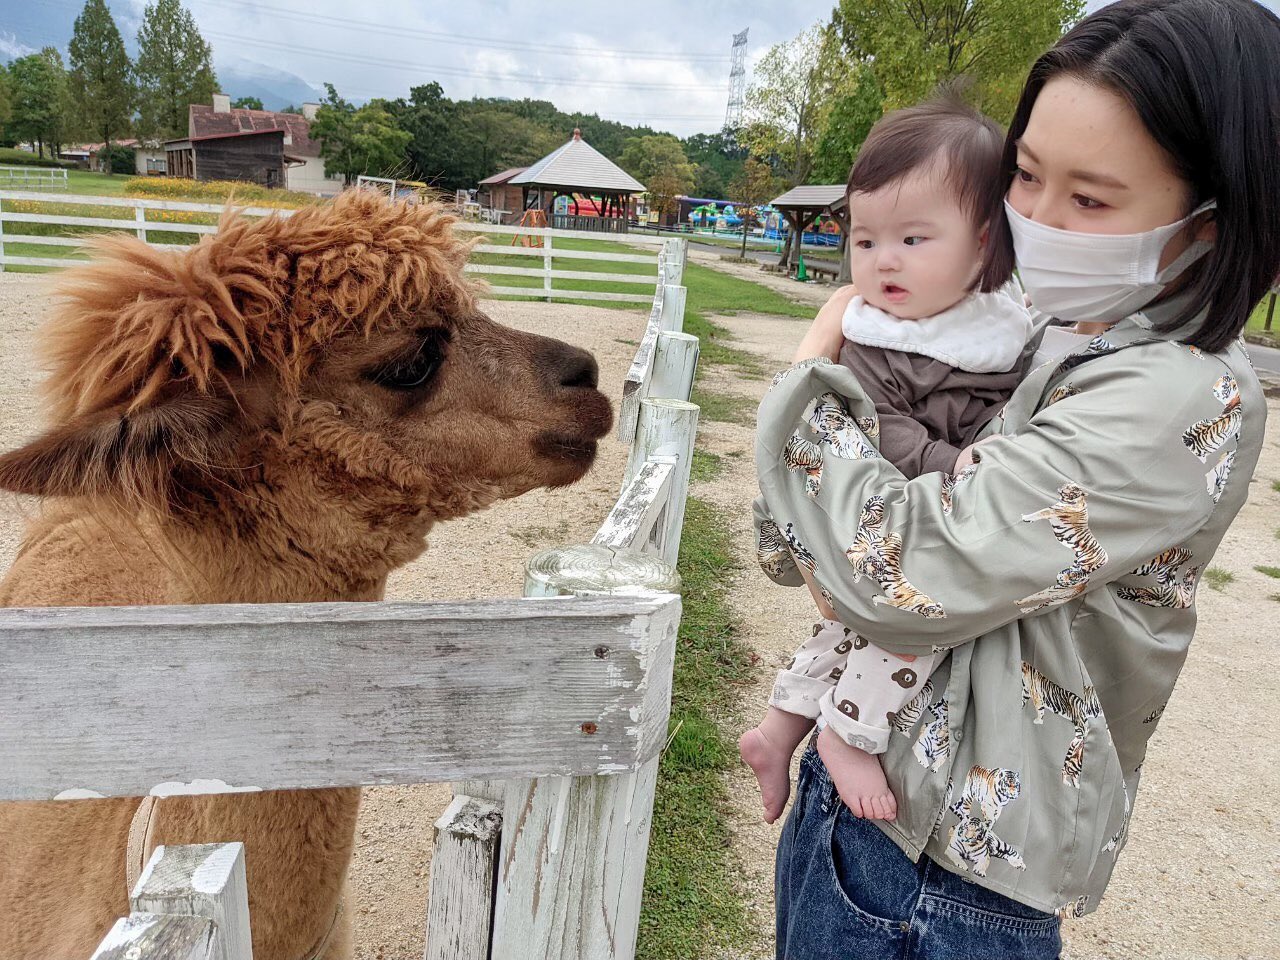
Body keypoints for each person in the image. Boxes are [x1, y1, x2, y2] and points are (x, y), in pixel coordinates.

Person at [756, 1, 1279, 957]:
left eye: (1090, 200)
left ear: (1211, 223)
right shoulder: (1053, 335)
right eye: (1025, 176)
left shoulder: (1177, 392)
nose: (1032, 221)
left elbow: (888, 570)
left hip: (942, 869)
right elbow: (801, 551)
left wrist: (809, 373)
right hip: (877, 802)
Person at [739, 90, 1034, 825]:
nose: (882, 261)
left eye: (913, 239)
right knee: (916, 627)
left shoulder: (1002, 328)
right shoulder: (872, 336)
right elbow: (877, 424)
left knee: (842, 632)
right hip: (888, 511)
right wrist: (949, 458)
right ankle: (847, 731)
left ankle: (780, 728)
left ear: (985, 246)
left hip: (921, 514)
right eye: (865, 241)